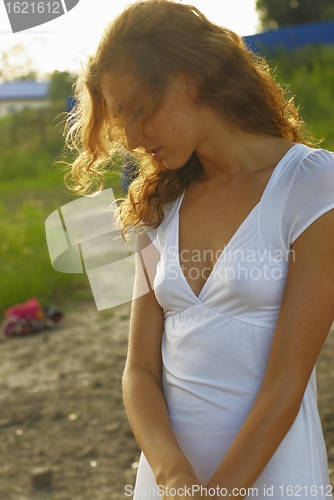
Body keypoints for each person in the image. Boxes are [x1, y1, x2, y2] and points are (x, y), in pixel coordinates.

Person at [64, 1, 334, 498]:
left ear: (187, 81)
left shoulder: (315, 186)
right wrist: (174, 479)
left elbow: (286, 384)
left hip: (272, 476)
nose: (135, 138)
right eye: (123, 125)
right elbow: (139, 370)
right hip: (169, 483)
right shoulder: (156, 205)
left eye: (139, 112)